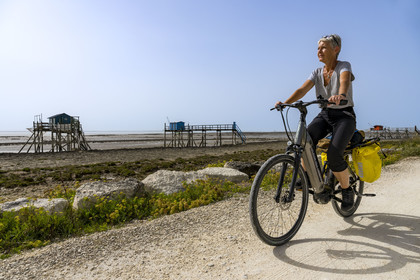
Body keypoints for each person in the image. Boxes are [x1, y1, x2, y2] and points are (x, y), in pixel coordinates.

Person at [275, 34, 356, 211]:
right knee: (304, 141)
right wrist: (286, 102)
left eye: (323, 47)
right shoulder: (317, 72)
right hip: (325, 114)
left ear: (336, 49)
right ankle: (309, 176)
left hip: (344, 116)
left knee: (334, 155)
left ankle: (346, 189)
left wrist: (341, 96)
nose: (319, 51)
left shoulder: (344, 66)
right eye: (318, 48)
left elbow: (344, 82)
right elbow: (302, 89)